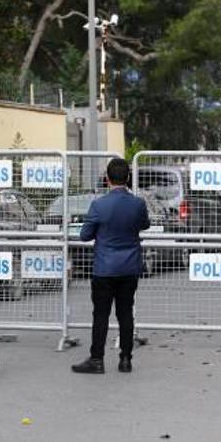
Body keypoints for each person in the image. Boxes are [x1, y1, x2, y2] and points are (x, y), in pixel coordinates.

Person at [72, 158, 151, 374]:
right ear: (127, 178)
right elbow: (144, 224)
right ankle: (125, 359)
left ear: (107, 179)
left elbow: (84, 235)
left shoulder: (98, 205)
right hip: (129, 268)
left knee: (101, 315)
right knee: (126, 313)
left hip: (104, 268)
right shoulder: (138, 204)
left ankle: (97, 359)